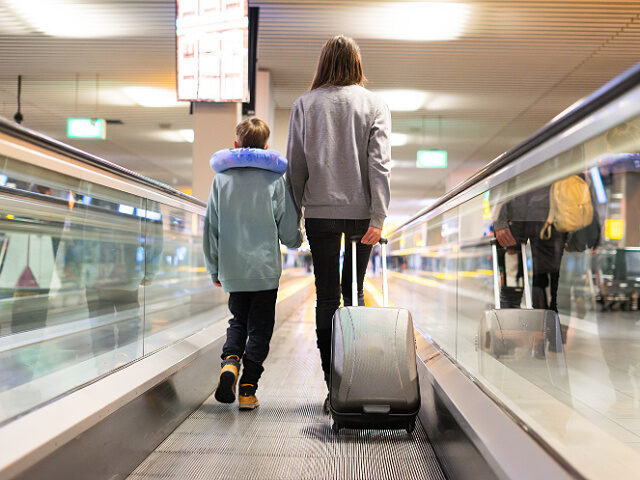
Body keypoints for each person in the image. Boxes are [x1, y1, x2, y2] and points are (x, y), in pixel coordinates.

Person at [285, 35, 391, 412]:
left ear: (323, 63)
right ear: (357, 64)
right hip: (362, 213)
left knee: (327, 296)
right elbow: (379, 165)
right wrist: (378, 215)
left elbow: (295, 169)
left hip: (319, 214)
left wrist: (292, 218)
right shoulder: (374, 104)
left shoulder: (305, 105)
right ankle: (357, 379)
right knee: (355, 292)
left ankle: (335, 386)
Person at [204, 117, 302, 410]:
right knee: (260, 329)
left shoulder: (221, 180)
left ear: (236, 145)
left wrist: (214, 268)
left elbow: (211, 227)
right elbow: (287, 230)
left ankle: (230, 361)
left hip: (233, 269)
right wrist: (297, 240)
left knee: (238, 321)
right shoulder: (274, 180)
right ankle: (247, 391)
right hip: (264, 271)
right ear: (266, 147)